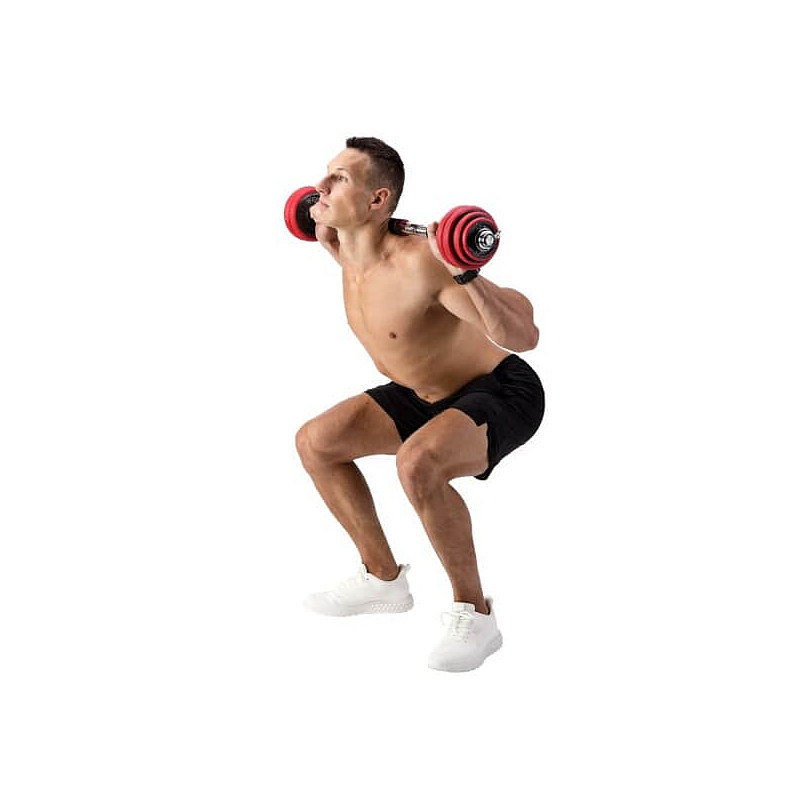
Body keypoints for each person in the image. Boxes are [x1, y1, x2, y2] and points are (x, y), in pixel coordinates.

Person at [294, 136, 545, 672]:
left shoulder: (421, 264)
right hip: (421, 394)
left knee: (418, 464)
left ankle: (476, 616)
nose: (320, 186)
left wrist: (465, 268)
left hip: (500, 390)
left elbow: (524, 336)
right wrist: (323, 218)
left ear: (378, 200)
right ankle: (382, 578)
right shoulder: (340, 244)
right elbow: (320, 222)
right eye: (325, 174)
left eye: (339, 179)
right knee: (317, 443)